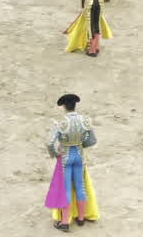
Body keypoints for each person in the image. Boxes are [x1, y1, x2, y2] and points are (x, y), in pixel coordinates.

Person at [44, 93, 99, 230]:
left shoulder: (61, 123)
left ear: (64, 106)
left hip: (66, 157)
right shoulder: (84, 121)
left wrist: (55, 154)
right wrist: (80, 145)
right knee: (80, 187)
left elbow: (49, 143)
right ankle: (81, 218)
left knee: (67, 189)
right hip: (79, 156)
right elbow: (92, 140)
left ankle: (65, 223)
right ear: (75, 105)